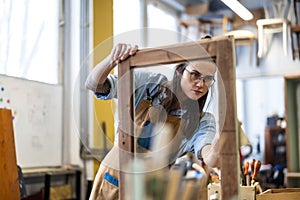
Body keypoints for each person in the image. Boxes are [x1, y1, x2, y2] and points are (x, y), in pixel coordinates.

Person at [86, 40, 222, 200]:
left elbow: (208, 155)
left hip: (152, 188)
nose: (200, 84)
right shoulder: (150, 85)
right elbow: (94, 85)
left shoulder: (203, 120)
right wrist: (112, 59)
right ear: (180, 70)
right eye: (195, 75)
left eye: (208, 79)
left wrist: (220, 146)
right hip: (114, 178)